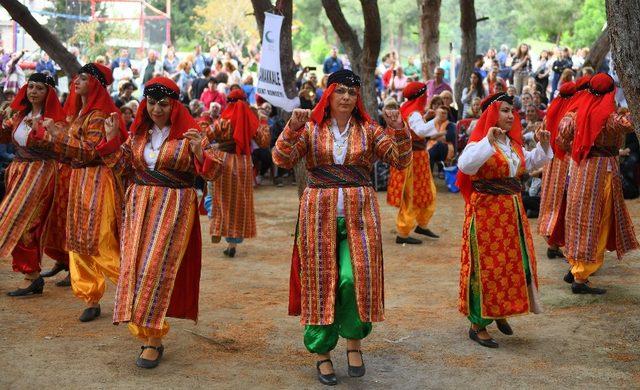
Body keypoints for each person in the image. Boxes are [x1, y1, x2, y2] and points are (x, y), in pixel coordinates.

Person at [272, 69, 411, 386]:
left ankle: (353, 343)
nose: (346, 97)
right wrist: (291, 128)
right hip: (317, 215)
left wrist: (399, 128)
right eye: (340, 92)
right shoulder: (310, 128)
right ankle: (322, 353)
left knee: (354, 278)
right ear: (329, 95)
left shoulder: (370, 131)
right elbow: (281, 158)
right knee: (322, 282)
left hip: (361, 216)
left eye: (352, 93)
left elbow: (401, 160)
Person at [96, 76, 223, 369]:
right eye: (151, 103)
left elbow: (214, 172)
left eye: (163, 104)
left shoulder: (191, 134)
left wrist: (200, 153)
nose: (156, 109)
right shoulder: (139, 135)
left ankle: (153, 339)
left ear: (174, 105)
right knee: (136, 267)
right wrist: (112, 139)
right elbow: (122, 167)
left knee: (156, 268)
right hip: (138, 205)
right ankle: (148, 331)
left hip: (174, 206)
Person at [28, 63, 126, 322]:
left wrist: (56, 134)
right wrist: (45, 132)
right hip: (78, 180)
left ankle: (132, 289)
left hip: (97, 180)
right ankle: (91, 298)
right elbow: (68, 148)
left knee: (102, 240)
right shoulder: (81, 113)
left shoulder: (100, 115)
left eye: (83, 78)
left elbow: (91, 151)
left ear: (95, 83)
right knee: (78, 242)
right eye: (76, 78)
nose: (76, 82)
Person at [456, 92, 552, 348]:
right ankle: (477, 324)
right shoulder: (479, 142)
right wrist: (487, 141)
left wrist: (543, 146)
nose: (511, 116)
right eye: (506, 110)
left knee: (512, 264)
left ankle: (499, 311)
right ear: (492, 113)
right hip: (487, 214)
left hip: (512, 213)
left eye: (513, 111)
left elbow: (525, 163)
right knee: (487, 267)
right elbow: (465, 166)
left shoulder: (512, 143)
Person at [562, 73, 640, 294]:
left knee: (578, 218)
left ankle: (575, 266)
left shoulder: (578, 110)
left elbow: (563, 130)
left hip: (580, 168)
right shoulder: (607, 114)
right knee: (597, 221)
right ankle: (581, 276)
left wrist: (575, 149)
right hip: (601, 172)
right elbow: (627, 124)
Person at [0, 73, 68, 296]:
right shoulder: (20, 115)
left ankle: (32, 275)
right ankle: (33, 276)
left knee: (27, 224)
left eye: (39, 88)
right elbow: (5, 134)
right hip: (18, 172)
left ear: (48, 92)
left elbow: (58, 145)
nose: (33, 92)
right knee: (9, 219)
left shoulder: (54, 120)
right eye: (30, 87)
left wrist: (39, 129)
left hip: (40, 173)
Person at [204, 89, 270, 257]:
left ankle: (216, 224)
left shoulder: (223, 121)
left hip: (222, 162)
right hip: (243, 164)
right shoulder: (252, 122)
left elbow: (206, 135)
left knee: (216, 198)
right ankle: (232, 245)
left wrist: (215, 145)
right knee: (238, 204)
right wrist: (263, 120)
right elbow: (264, 142)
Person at [387, 82, 439, 245]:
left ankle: (422, 224)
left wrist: (428, 117)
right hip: (413, 158)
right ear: (421, 96)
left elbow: (416, 126)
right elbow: (421, 131)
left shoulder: (407, 108)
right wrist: (437, 118)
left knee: (426, 191)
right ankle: (402, 232)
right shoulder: (413, 112)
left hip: (418, 157)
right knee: (412, 194)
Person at [537, 81, 580, 260]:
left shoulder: (550, 113)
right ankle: (559, 243)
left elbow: (537, 135)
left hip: (550, 162)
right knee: (564, 203)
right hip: (565, 163)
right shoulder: (572, 114)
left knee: (550, 199)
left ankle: (552, 243)